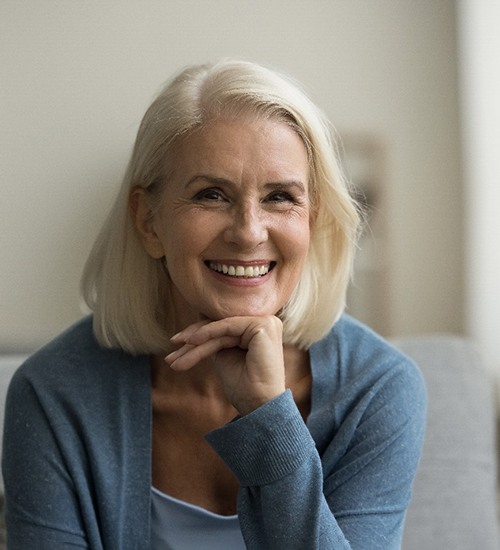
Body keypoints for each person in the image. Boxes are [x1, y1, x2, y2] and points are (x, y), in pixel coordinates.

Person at [2, 59, 426, 549]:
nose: (248, 232)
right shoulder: (53, 394)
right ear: (149, 222)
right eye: (211, 195)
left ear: (312, 220)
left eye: (280, 197)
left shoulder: (378, 388)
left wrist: (268, 416)